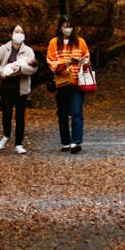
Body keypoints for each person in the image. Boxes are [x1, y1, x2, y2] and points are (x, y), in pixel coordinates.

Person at [0, 24, 37, 153]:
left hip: (21, 87)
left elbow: (33, 68)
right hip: (6, 87)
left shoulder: (28, 50)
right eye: (17, 31)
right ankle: (6, 135)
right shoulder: (4, 48)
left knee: (20, 116)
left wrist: (20, 69)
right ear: (11, 34)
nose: (19, 34)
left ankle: (19, 144)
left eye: (21, 31)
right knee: (7, 114)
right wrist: (1, 71)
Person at [46, 15, 90, 153]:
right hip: (62, 82)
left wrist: (84, 61)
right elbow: (51, 62)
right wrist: (64, 63)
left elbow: (87, 58)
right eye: (65, 26)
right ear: (60, 27)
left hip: (78, 82)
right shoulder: (54, 43)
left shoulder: (80, 42)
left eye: (70, 26)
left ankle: (75, 142)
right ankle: (65, 141)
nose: (68, 29)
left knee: (76, 111)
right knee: (63, 113)